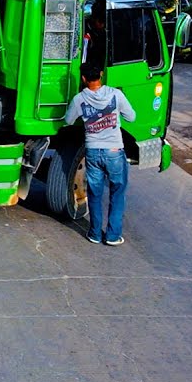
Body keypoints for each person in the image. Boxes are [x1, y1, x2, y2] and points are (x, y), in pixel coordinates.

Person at [65, 63, 136, 246]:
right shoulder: (116, 95)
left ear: (83, 79)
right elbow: (131, 117)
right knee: (117, 192)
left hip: (93, 151)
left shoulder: (79, 99)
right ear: (101, 74)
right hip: (114, 151)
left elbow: (68, 120)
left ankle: (95, 234)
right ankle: (112, 236)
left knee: (95, 193)